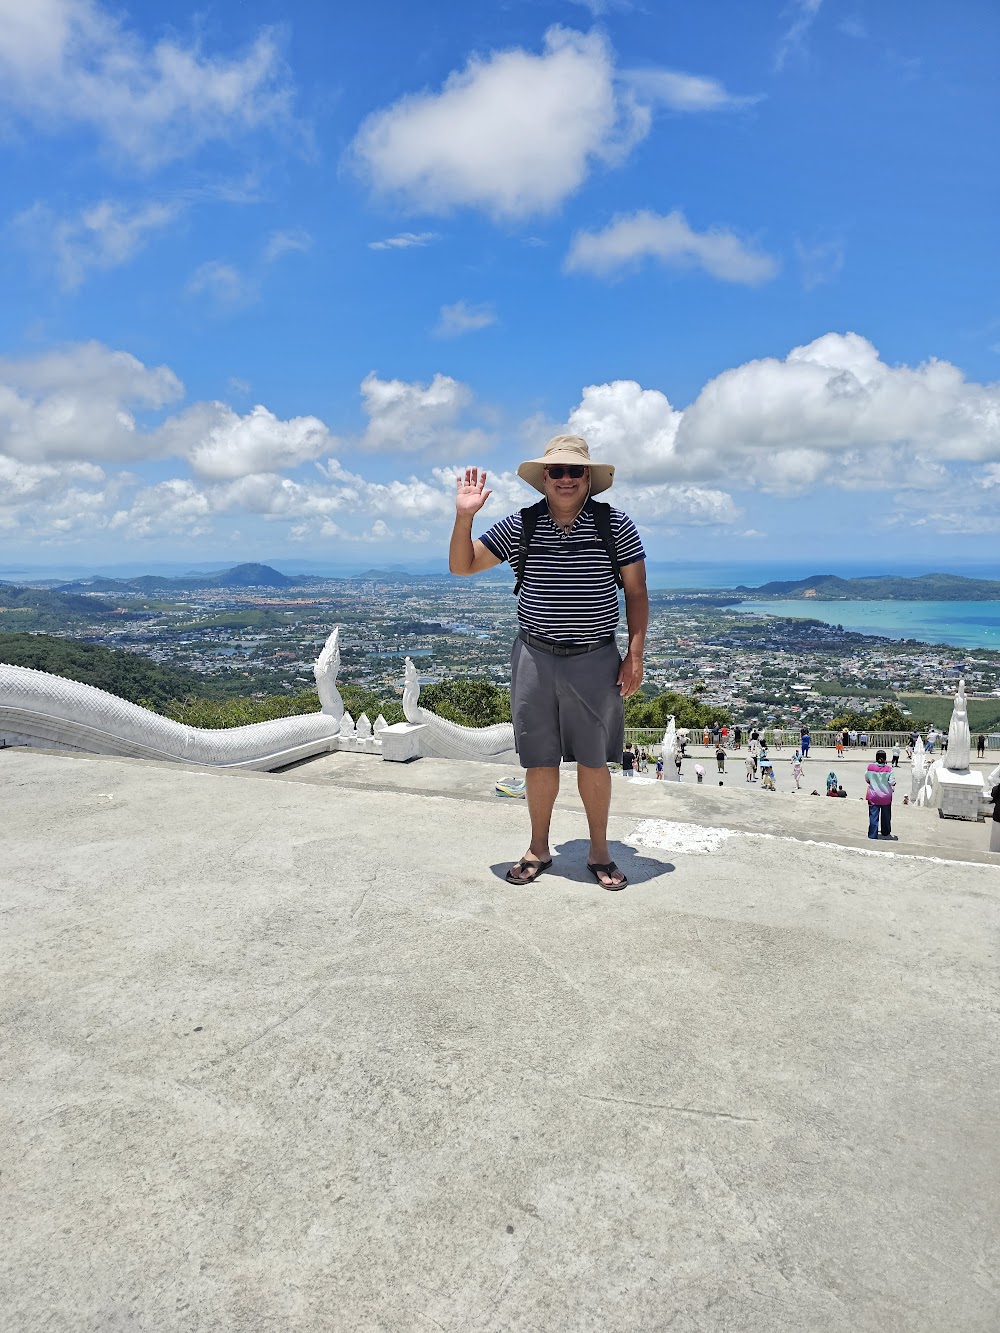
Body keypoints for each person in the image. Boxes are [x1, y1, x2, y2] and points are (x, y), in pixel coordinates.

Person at [450, 437, 647, 890]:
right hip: (535, 655)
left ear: (588, 479)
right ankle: (539, 848)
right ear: (543, 478)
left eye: (574, 471)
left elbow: (635, 593)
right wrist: (464, 518)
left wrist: (634, 656)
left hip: (595, 657)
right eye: (555, 471)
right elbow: (462, 566)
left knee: (594, 760)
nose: (564, 479)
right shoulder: (522, 525)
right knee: (539, 759)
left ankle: (599, 850)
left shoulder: (615, 526)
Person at [865, 748, 897, 840]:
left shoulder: (870, 767)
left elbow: (867, 779)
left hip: (873, 796)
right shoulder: (889, 769)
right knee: (886, 815)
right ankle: (886, 832)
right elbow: (892, 782)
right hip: (886, 797)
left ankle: (872, 834)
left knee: (873, 816)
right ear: (885, 758)